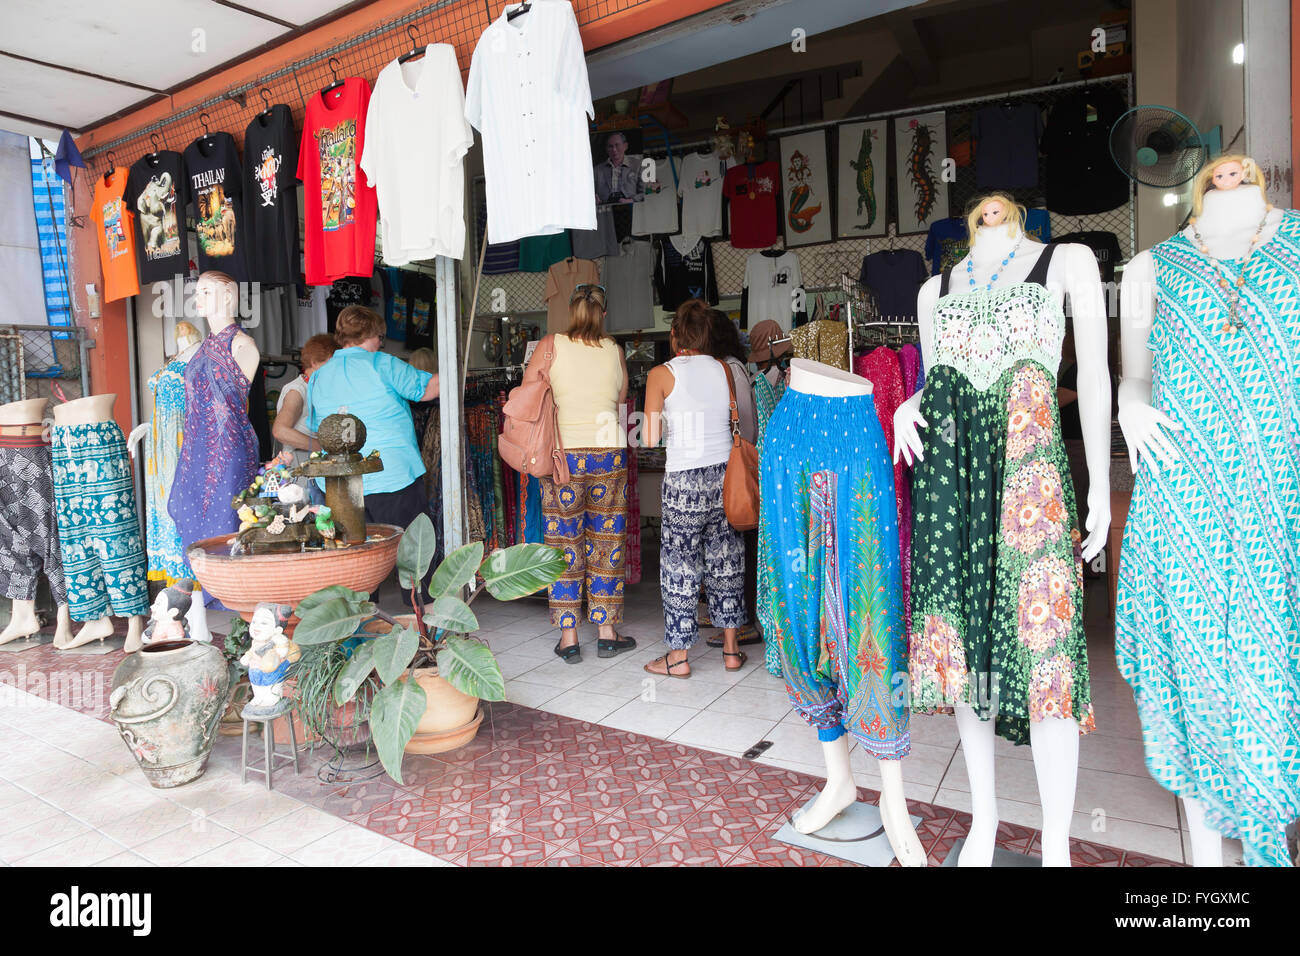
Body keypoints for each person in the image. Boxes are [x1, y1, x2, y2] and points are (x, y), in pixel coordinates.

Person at [643, 298, 747, 677]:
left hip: (685, 479)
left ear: (675, 335)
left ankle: (679, 657)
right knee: (726, 562)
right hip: (725, 477)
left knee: (680, 566)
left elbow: (651, 435)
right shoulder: (725, 368)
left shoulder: (661, 374)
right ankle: (732, 650)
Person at [542, 284, 637, 664]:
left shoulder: (552, 344)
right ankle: (607, 633)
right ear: (603, 315)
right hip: (608, 453)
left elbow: (534, 389)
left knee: (565, 543)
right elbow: (619, 398)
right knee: (606, 541)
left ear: (571, 312)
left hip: (565, 456)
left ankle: (569, 639)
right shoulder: (615, 350)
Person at [306, 306, 439, 534]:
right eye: (381, 337)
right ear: (372, 334)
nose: (380, 343)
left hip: (342, 484)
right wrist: (457, 369)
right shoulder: (382, 363)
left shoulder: (318, 376)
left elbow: (317, 427)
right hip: (392, 475)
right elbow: (427, 390)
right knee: (411, 555)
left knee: (362, 558)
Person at [272, 333, 337, 503]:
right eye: (331, 364)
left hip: (313, 471)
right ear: (314, 362)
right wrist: (322, 447)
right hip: (300, 473)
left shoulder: (317, 388)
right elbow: (280, 430)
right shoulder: (297, 390)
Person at [594, 131, 639, 205]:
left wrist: (631, 200)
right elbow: (589, 192)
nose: (614, 149)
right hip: (604, 210)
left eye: (617, 145)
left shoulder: (637, 165)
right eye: (610, 146)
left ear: (625, 146)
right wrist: (594, 198)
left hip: (631, 207)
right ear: (606, 149)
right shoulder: (597, 170)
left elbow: (643, 192)